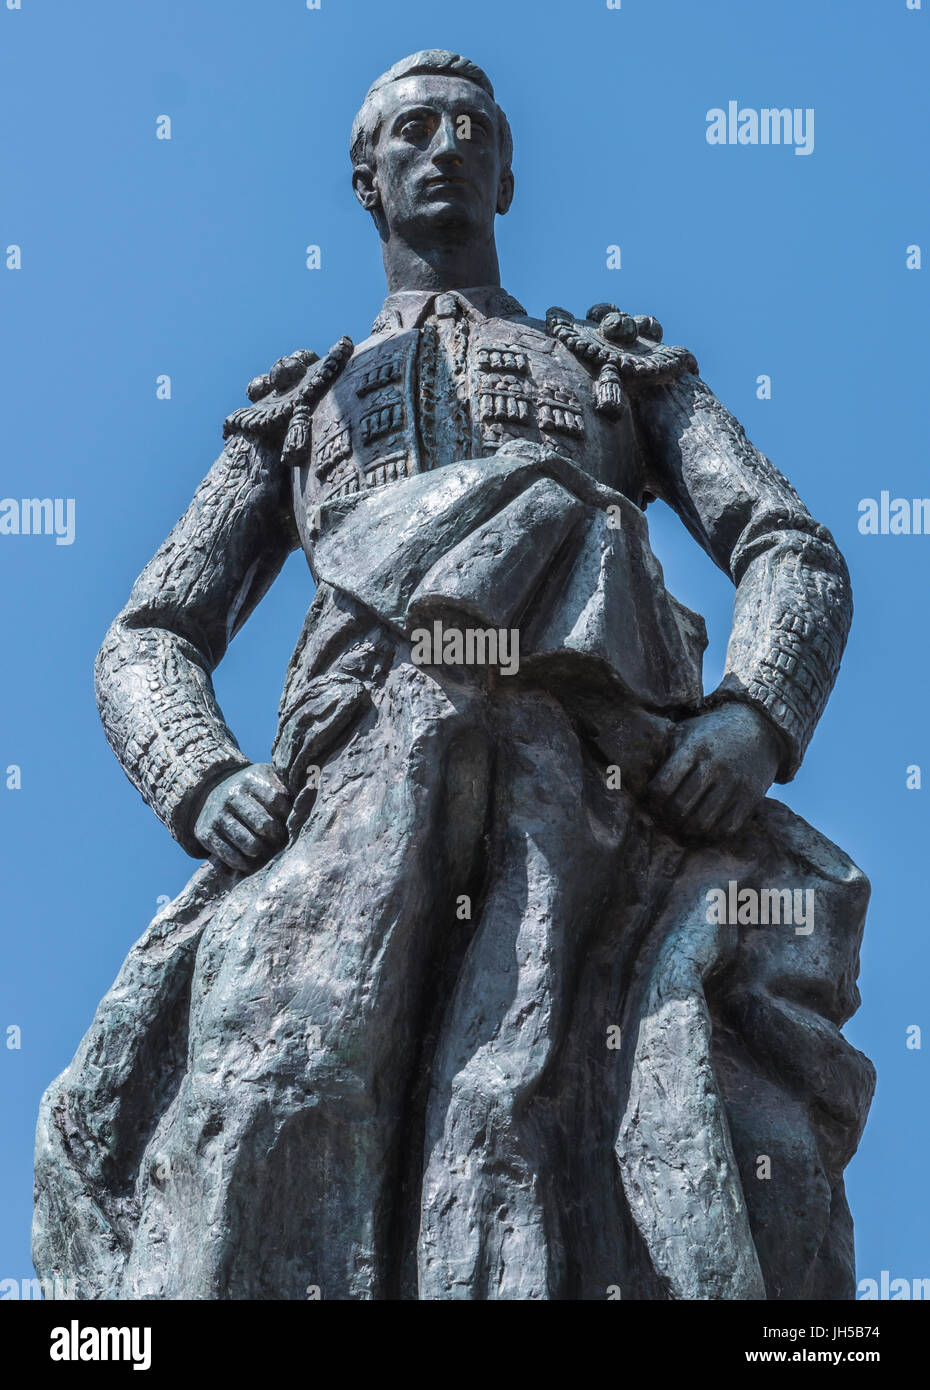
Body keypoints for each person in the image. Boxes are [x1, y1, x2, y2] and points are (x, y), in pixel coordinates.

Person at [34, 50, 873, 1301]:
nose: (445, 148)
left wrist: (754, 719)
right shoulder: (297, 410)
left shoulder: (621, 371)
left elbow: (790, 547)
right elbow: (150, 631)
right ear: (364, 179)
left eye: (471, 128)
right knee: (269, 1079)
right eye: (412, 129)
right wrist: (203, 781)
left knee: (564, 1103)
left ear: (509, 172)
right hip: (358, 782)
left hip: (591, 781)